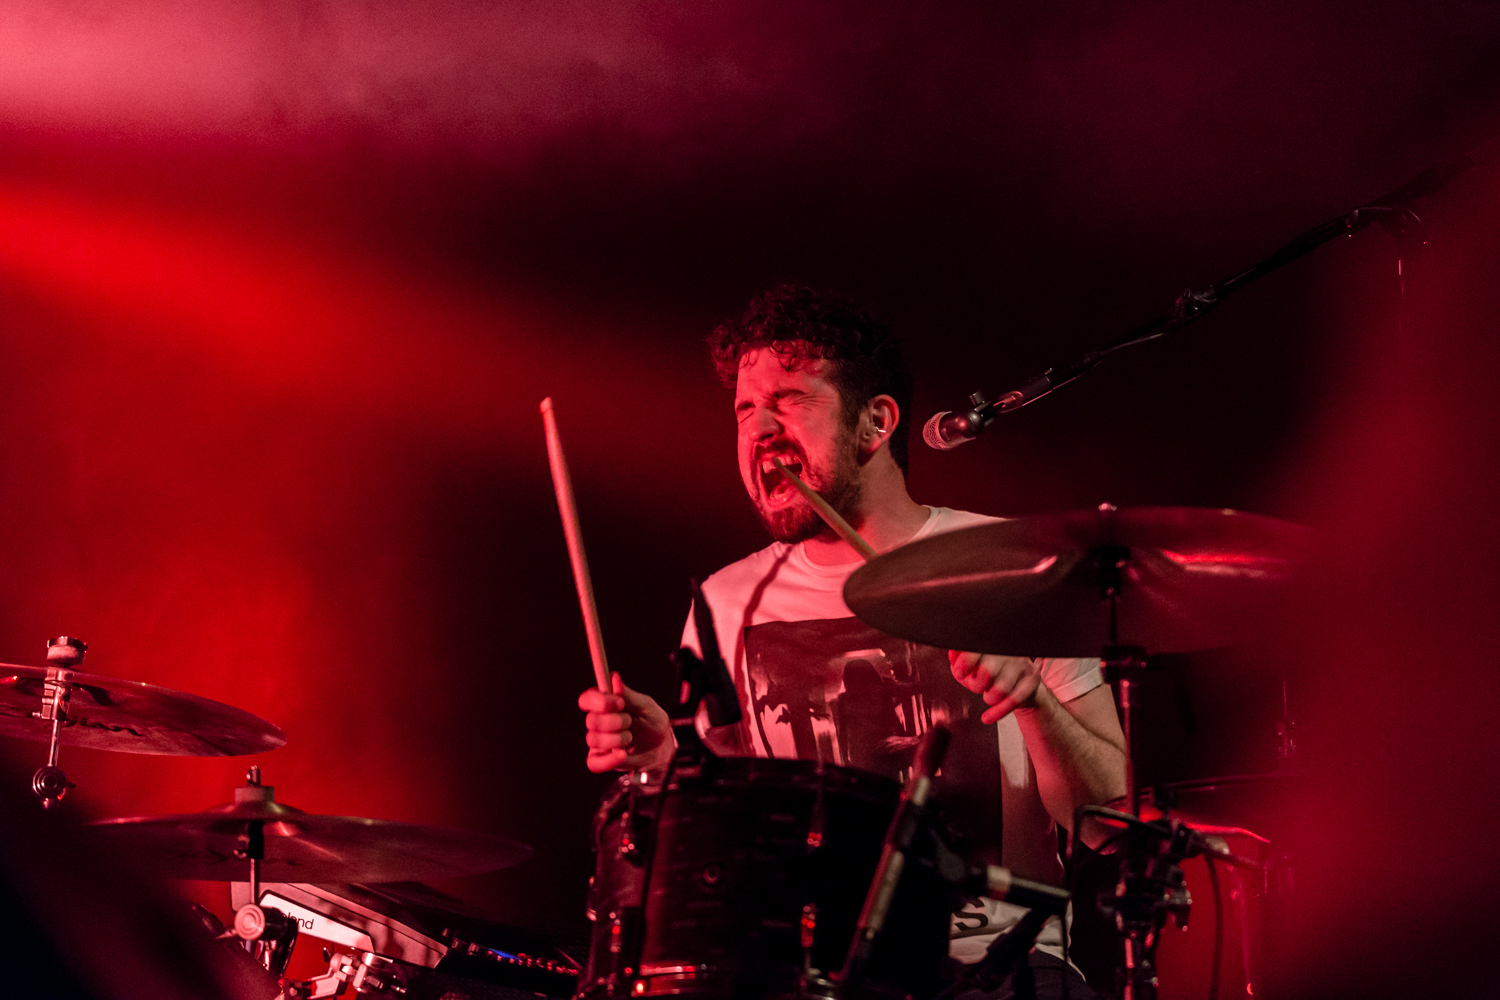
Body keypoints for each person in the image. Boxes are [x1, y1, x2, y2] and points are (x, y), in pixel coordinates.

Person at [578, 284, 1127, 999]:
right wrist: (664, 763)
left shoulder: (1016, 566)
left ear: (875, 423)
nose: (758, 430)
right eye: (745, 409)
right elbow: (733, 834)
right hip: (814, 975)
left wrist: (1032, 701)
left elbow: (1110, 823)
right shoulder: (726, 601)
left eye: (792, 401)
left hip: (999, 969)